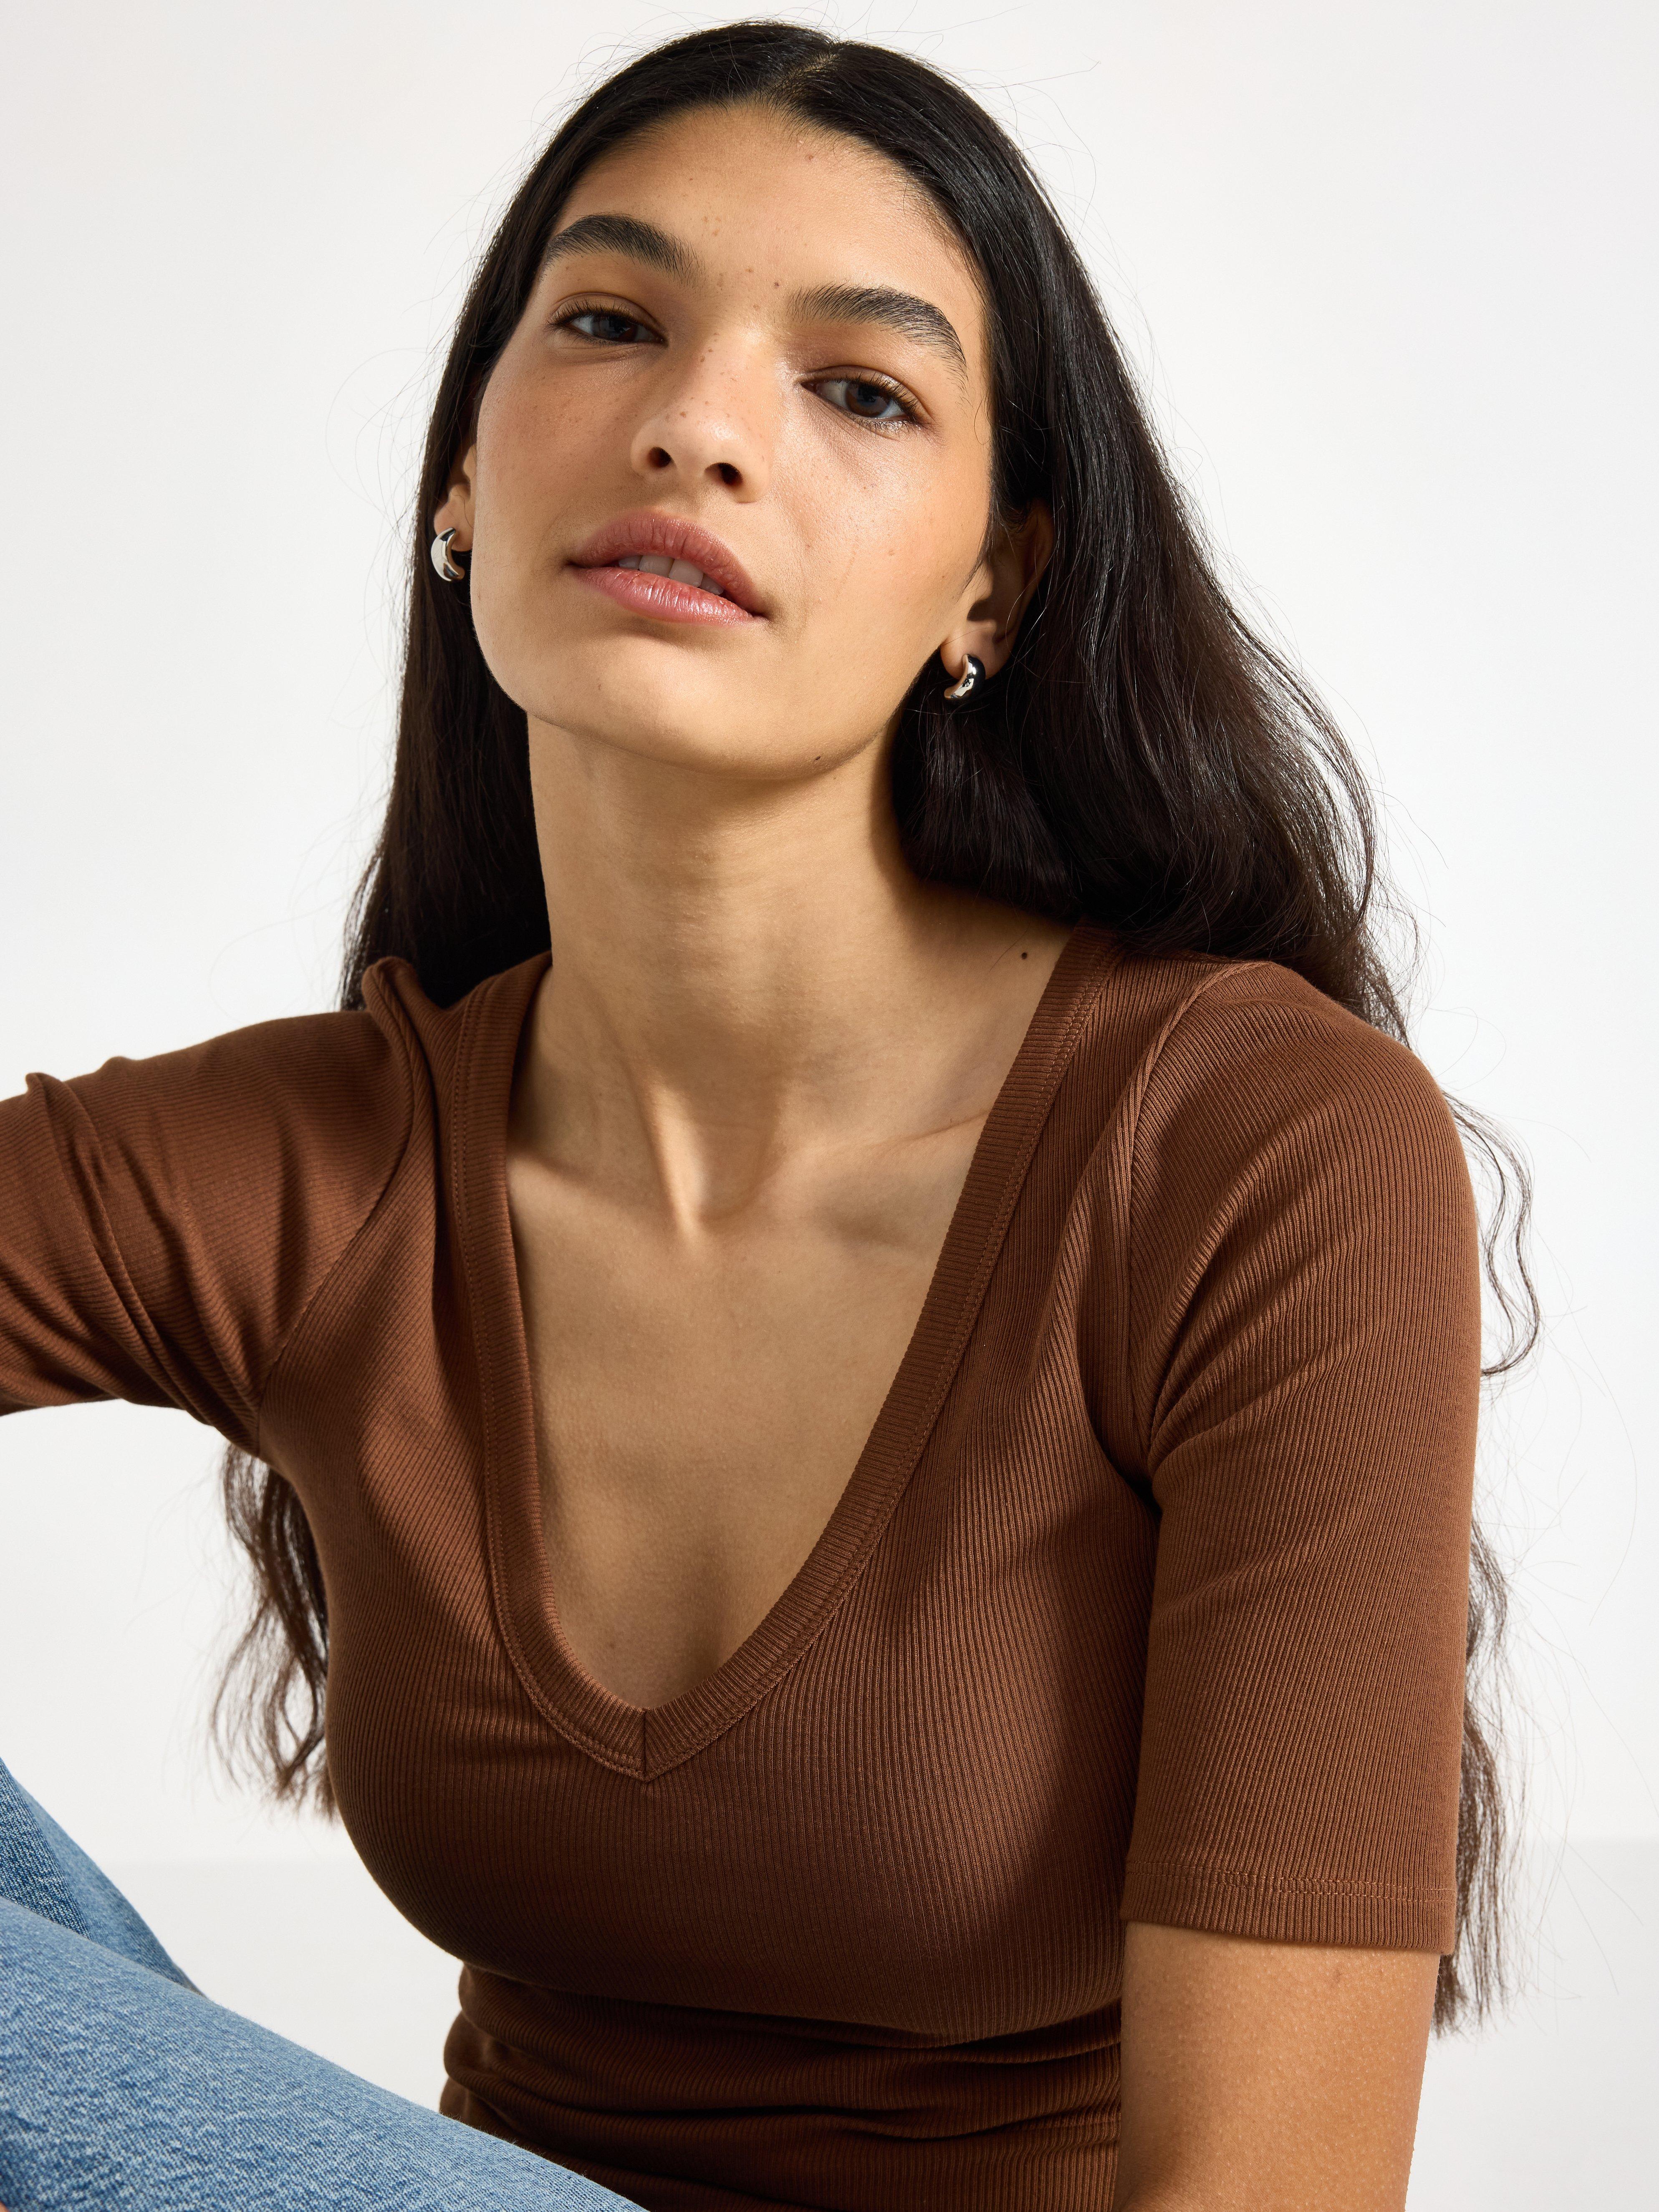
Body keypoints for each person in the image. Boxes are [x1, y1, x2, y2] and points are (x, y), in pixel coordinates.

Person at [0, 21, 1529, 2212]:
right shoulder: (319, 1165)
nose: (693, 425)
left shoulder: (1245, 1148)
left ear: (990, 584)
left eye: (858, 386)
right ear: (458, 480)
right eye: (609, 320)